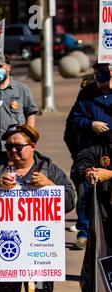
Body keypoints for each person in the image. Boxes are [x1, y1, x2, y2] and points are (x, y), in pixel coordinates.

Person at [0, 124, 75, 292]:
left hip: (41, 256)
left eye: (18, 146)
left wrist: (49, 185)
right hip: (6, 255)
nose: (13, 150)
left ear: (32, 146)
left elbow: (69, 202)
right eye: (9, 146)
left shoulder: (49, 169)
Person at [64, 62, 112, 250]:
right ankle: (84, 232)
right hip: (91, 150)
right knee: (85, 192)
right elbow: (75, 119)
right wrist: (90, 124)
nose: (103, 85)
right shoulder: (87, 93)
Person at [70, 129, 112, 292]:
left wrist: (109, 174)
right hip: (104, 221)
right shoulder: (102, 146)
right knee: (99, 269)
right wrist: (88, 171)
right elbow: (80, 164)